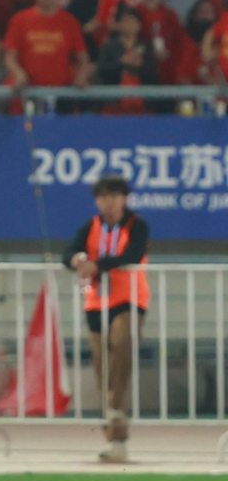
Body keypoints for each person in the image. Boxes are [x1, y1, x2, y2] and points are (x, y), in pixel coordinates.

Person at [62, 174, 150, 465]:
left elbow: (133, 254)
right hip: (96, 301)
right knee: (102, 367)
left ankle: (114, 411)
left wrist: (96, 264)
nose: (107, 202)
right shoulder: (91, 226)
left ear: (124, 199)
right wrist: (77, 260)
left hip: (128, 298)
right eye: (102, 197)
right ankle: (115, 438)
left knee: (120, 348)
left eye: (113, 196)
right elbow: (69, 252)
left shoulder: (137, 225)